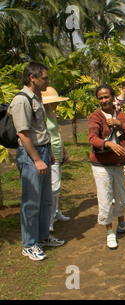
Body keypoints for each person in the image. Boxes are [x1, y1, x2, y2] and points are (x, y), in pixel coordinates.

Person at [8, 61, 65, 261]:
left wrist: (47, 152)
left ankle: (42, 237)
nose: (47, 82)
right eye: (45, 78)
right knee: (31, 202)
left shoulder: (38, 97)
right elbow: (23, 134)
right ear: (33, 78)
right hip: (30, 154)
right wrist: (36, 160)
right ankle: (29, 244)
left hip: (43, 151)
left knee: (45, 199)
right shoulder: (21, 100)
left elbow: (41, 130)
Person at [88, 84, 125, 250]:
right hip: (101, 164)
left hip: (118, 162)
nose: (103, 100)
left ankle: (122, 224)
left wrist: (120, 124)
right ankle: (110, 231)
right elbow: (92, 138)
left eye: (106, 97)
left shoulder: (122, 116)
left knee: (121, 194)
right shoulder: (96, 116)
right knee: (105, 197)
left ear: (113, 97)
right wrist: (108, 143)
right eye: (100, 98)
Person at [42, 87, 71, 232]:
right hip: (49, 154)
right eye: (54, 102)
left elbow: (57, 135)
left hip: (57, 153)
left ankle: (56, 211)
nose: (56, 104)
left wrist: (64, 151)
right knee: (54, 187)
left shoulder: (52, 114)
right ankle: (49, 219)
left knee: (57, 185)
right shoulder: (41, 115)